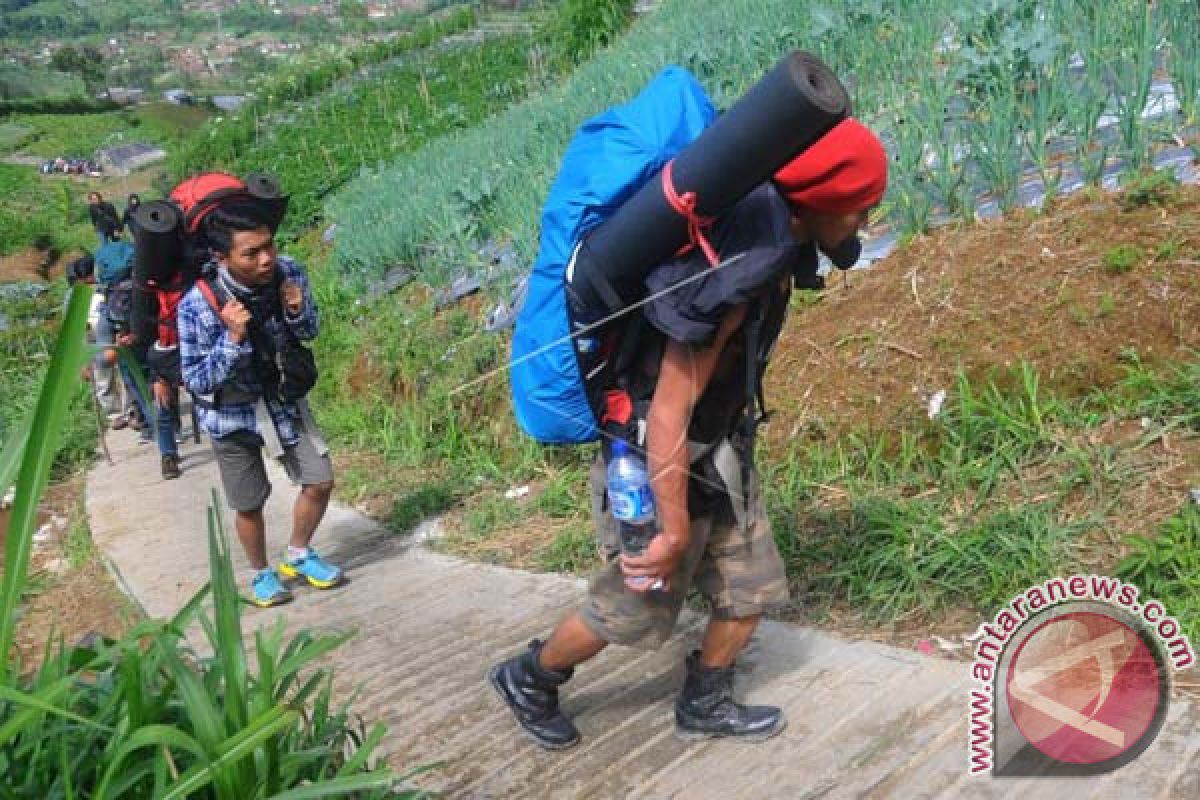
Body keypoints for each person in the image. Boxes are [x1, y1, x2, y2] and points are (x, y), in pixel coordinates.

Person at [489, 118, 888, 749]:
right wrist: (673, 530)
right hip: (655, 457)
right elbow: (670, 407)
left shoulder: (776, 237)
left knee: (750, 585)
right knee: (636, 608)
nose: (863, 224)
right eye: (861, 209)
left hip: (720, 447)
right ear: (824, 201)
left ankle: (705, 698)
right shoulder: (739, 269)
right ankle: (530, 676)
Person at [177, 201, 342, 608]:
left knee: (320, 480)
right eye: (251, 253)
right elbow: (196, 380)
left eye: (268, 246)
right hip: (230, 416)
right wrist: (231, 339)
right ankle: (261, 573)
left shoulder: (288, 271)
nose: (266, 258)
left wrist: (296, 308)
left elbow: (310, 331)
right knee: (250, 503)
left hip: (283, 398)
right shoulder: (196, 306)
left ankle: (298, 554)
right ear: (222, 257)